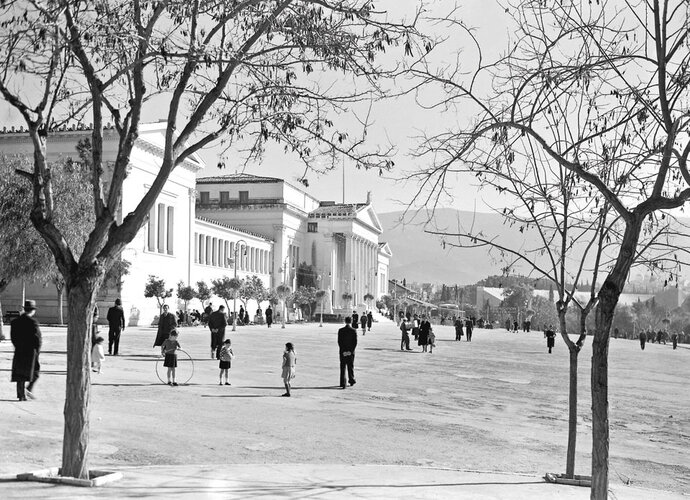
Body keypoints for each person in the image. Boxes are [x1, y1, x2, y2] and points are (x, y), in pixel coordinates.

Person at [11, 300, 42, 401]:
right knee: (35, 372)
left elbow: (13, 337)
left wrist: (17, 346)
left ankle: (21, 395)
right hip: (31, 351)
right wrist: (37, 350)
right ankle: (28, 389)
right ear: (32, 311)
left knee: (20, 374)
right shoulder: (33, 322)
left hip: (19, 350)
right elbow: (37, 339)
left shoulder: (15, 322)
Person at [338, 317, 357, 389]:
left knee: (343, 367)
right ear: (351, 321)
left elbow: (339, 342)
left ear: (345, 321)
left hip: (342, 352)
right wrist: (350, 351)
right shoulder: (353, 331)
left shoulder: (340, 330)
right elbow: (355, 343)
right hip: (350, 352)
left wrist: (343, 351)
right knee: (350, 366)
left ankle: (343, 382)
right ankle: (351, 380)